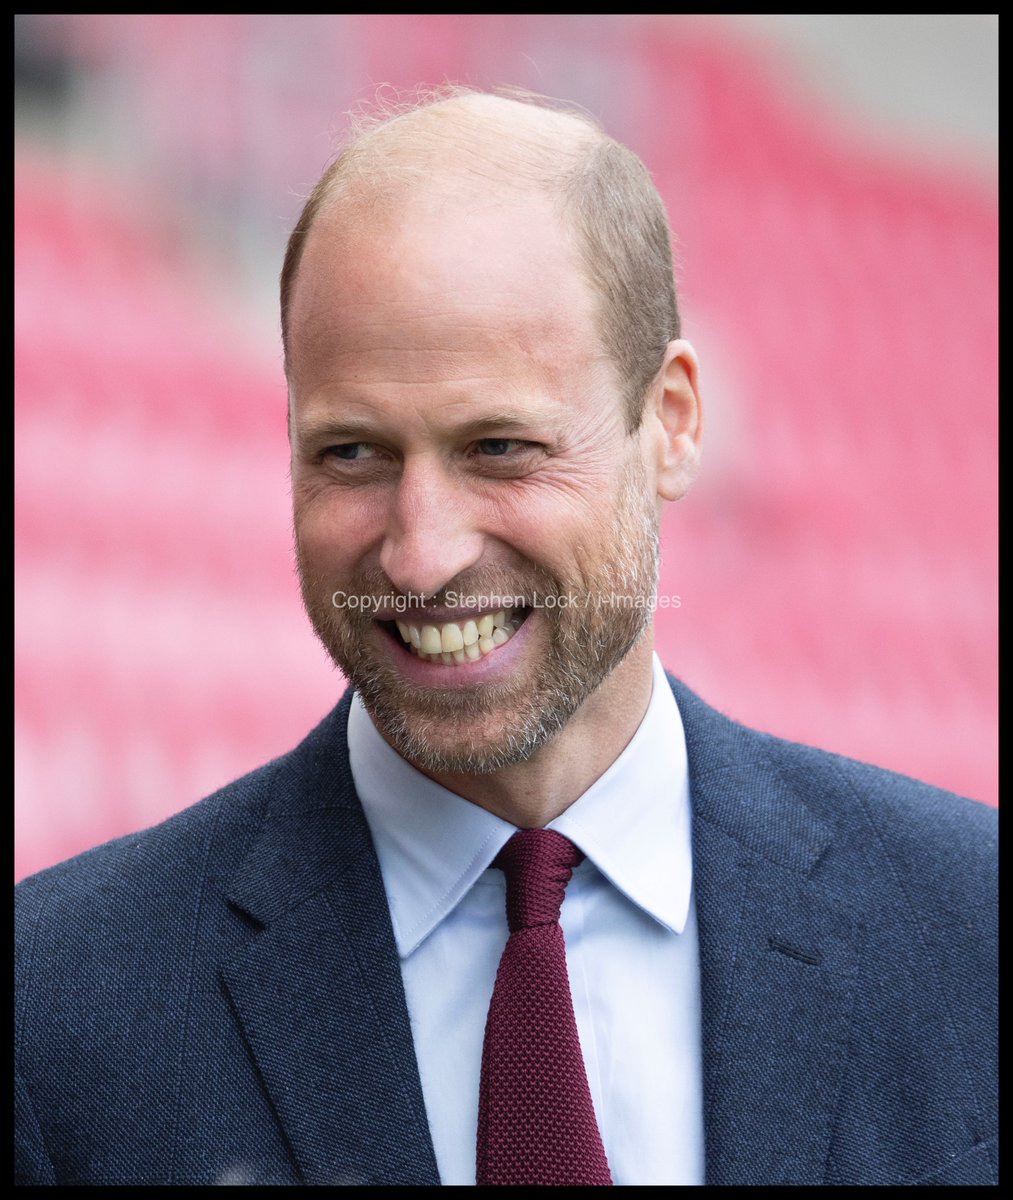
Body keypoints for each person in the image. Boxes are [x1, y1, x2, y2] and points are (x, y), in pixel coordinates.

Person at [15, 88, 997, 1187]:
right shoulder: (56, 1012)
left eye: (498, 448)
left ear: (669, 423)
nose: (419, 554)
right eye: (351, 454)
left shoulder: (971, 934)